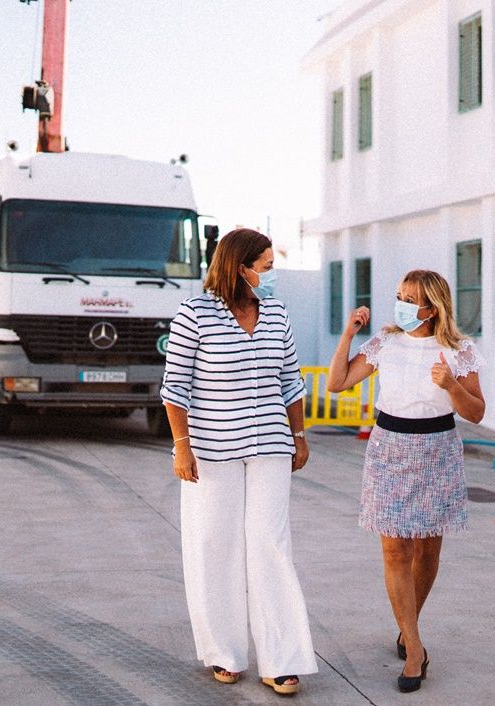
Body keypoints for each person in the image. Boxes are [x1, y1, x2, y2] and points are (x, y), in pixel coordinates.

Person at [161, 228, 316, 696]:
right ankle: (224, 653)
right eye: (265, 267)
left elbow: (290, 381)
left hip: (270, 444)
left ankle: (281, 659)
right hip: (211, 451)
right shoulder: (195, 314)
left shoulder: (277, 315)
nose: (270, 276)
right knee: (216, 546)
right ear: (238, 266)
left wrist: (299, 435)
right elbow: (175, 387)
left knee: (270, 545)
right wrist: (182, 445)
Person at [325, 269, 486, 694]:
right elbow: (337, 383)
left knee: (427, 549)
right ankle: (414, 647)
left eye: (409, 297)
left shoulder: (459, 351)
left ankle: (406, 628)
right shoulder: (385, 342)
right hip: (389, 448)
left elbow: (475, 413)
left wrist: (451, 384)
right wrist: (348, 334)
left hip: (437, 450)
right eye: (398, 295)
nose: (400, 303)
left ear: (432, 308)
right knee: (396, 548)